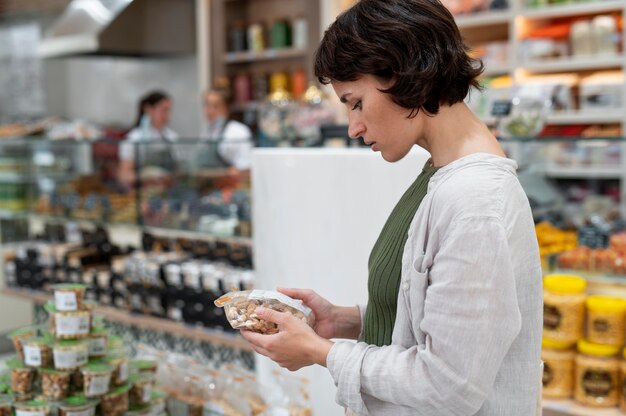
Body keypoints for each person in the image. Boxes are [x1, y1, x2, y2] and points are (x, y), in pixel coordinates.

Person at [241, 1, 543, 415]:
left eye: (356, 102)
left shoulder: (474, 200)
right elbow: (435, 320)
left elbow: (450, 383)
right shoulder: (439, 173)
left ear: (403, 74)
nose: (353, 126)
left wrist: (321, 352)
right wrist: (343, 320)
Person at [118, 91, 179, 185]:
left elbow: (178, 170)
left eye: (169, 110)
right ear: (148, 109)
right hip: (142, 193)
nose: (167, 115)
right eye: (163, 110)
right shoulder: (134, 138)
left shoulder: (172, 137)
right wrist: (145, 176)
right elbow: (124, 175)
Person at [200, 88, 253, 170]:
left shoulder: (239, 131)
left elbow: (245, 166)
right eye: (207, 105)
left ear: (226, 109)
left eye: (215, 106)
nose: (209, 111)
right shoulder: (206, 132)